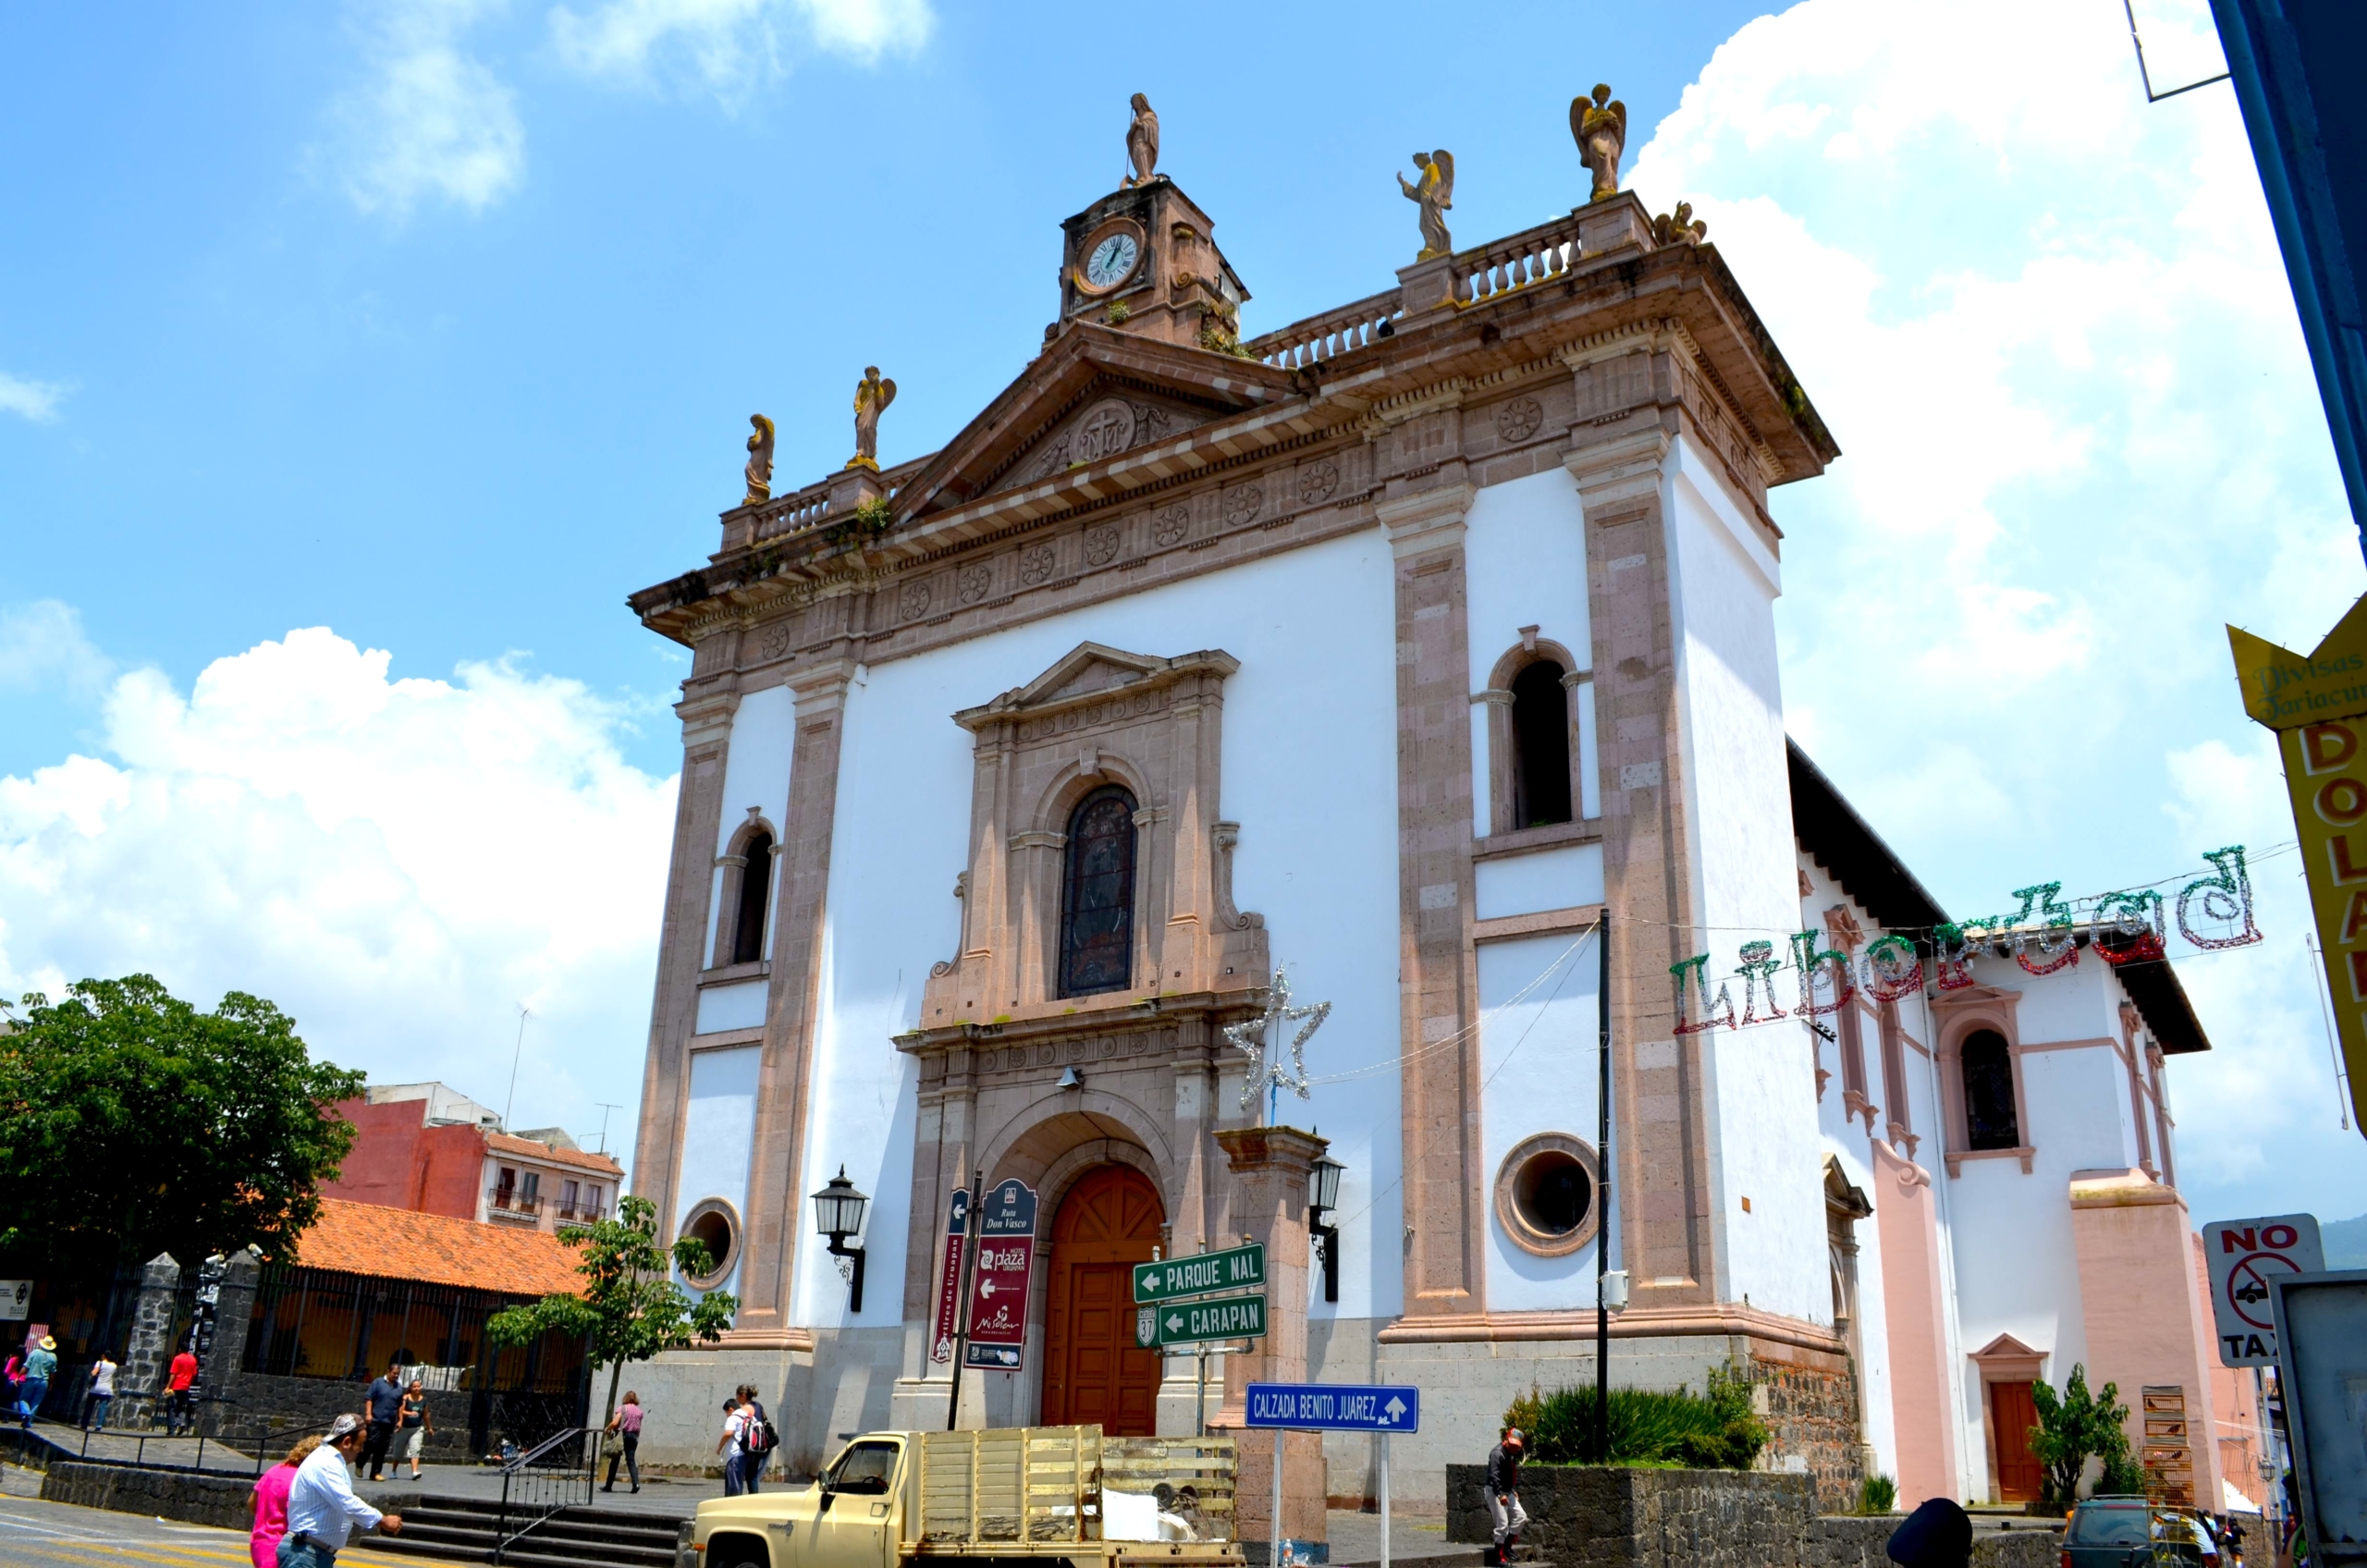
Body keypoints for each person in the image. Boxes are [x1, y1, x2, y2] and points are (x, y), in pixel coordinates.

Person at [281, 1414, 401, 1567]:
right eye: (361, 1443)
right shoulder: (326, 1463)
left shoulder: (329, 1460)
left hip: (312, 1552)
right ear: (346, 1442)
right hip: (306, 1554)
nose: (362, 1450)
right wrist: (382, 1520)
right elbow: (347, 1502)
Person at [250, 1435, 322, 1568]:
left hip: (260, 1542)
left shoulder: (275, 1469)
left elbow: (252, 1503)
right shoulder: (300, 1479)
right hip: (284, 1545)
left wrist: (267, 1520)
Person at [1483, 1427, 1526, 1567]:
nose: (1515, 1448)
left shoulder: (1511, 1453)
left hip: (1507, 1490)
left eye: (1517, 1446)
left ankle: (1507, 1547)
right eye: (1513, 1445)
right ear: (1507, 1439)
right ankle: (1498, 1557)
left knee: (1521, 1517)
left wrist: (1512, 1489)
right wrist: (1501, 1494)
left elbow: (1509, 1474)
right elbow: (1494, 1476)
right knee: (1502, 1524)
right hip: (1495, 1491)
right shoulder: (1497, 1453)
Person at [358, 1360, 405, 1482]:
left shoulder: (399, 1387)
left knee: (382, 1448)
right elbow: (369, 1398)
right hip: (375, 1419)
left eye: (398, 1374)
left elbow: (400, 1405)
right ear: (388, 1371)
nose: (396, 1375)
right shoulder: (378, 1383)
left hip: (389, 1422)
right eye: (394, 1373)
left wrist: (400, 1420)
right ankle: (360, 1462)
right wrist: (368, 1414)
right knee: (371, 1443)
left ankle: (375, 1473)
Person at [603, 1391, 644, 1494]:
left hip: (622, 1436)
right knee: (631, 1461)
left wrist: (607, 1428)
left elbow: (615, 1422)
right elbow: (639, 1427)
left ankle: (608, 1485)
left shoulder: (622, 1408)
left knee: (615, 1461)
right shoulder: (639, 1412)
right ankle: (636, 1484)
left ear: (625, 1398)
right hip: (633, 1436)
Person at [735, 1384, 773, 1492]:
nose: (736, 1399)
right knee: (752, 1475)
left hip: (751, 1444)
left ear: (743, 1395)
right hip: (760, 1444)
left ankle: (746, 1499)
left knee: (746, 1474)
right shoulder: (758, 1405)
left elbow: (738, 1424)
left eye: (737, 1396)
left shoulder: (746, 1408)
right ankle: (754, 1499)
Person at [17, 1335, 56, 1430]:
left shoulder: (35, 1352)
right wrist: (51, 1384)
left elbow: (26, 1366)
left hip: (31, 1379)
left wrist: (18, 1377)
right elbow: (53, 1372)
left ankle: (27, 1415)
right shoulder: (53, 1357)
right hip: (44, 1381)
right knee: (36, 1402)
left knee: (23, 1399)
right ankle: (29, 1422)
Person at [398, 1378, 434, 1481]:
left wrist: (429, 1428)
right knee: (398, 1451)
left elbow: (426, 1415)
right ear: (411, 1388)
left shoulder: (424, 1400)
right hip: (404, 1428)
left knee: (415, 1449)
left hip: (417, 1428)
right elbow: (400, 1411)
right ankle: (394, 1470)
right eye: (414, 1386)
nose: (417, 1388)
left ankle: (414, 1471)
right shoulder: (405, 1398)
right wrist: (409, 1414)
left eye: (418, 1386)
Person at [165, 1345, 200, 1435]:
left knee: (172, 1408)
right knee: (180, 1407)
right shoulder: (193, 1360)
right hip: (185, 1386)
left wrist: (168, 1386)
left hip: (176, 1386)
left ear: (180, 1349)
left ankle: (171, 1430)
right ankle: (181, 1422)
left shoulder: (178, 1358)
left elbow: (173, 1373)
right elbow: (194, 1374)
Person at [717, 1396, 747, 1497]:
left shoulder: (733, 1418)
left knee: (733, 1485)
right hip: (747, 1454)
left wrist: (719, 1447)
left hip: (736, 1455)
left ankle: (731, 1507)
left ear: (730, 1409)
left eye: (726, 1413)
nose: (726, 1415)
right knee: (739, 1482)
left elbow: (728, 1433)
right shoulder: (748, 1416)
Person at [82, 1352, 117, 1431]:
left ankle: (84, 1424)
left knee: (89, 1407)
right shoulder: (114, 1365)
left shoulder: (100, 1363)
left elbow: (94, 1373)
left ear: (104, 1356)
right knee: (102, 1408)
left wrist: (92, 1373)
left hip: (96, 1388)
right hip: (107, 1389)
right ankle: (99, 1426)